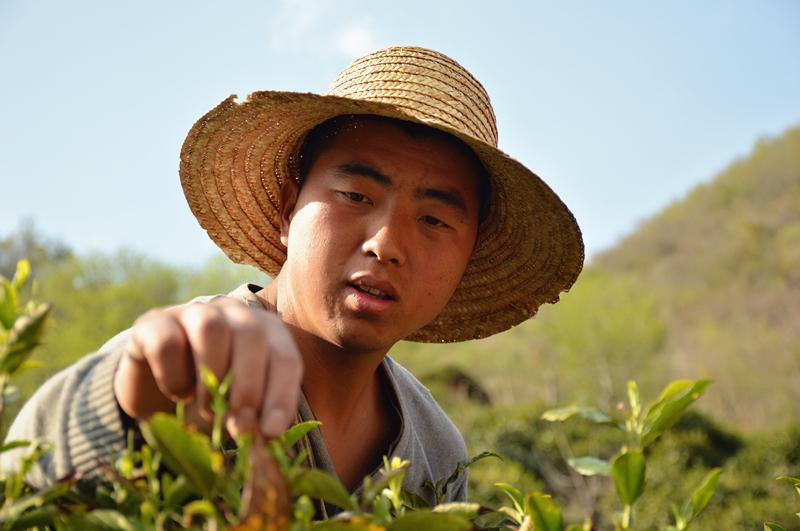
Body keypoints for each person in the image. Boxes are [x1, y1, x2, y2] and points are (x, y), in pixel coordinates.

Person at [3, 46, 583, 506]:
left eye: (433, 218)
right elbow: (27, 475)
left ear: (466, 259)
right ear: (288, 210)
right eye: (355, 194)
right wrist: (127, 404)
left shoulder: (435, 449)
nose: (385, 243)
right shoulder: (201, 356)